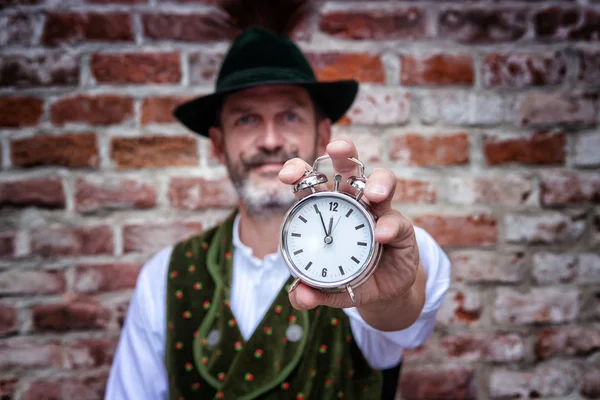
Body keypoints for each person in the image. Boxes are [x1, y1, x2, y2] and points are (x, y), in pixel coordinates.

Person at [105, 1, 451, 399]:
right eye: (246, 119)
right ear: (219, 145)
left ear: (322, 135)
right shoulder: (162, 278)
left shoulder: (374, 245)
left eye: (288, 116)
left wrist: (391, 289)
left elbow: (403, 308)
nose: (269, 140)